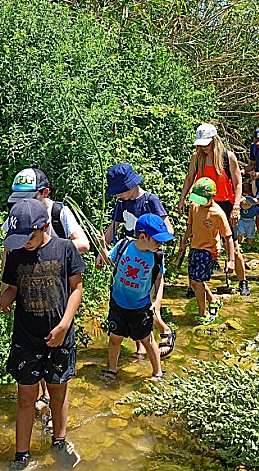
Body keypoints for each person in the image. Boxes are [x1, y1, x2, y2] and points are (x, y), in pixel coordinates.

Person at [2, 167, 90, 434]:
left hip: (57, 296)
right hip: (28, 306)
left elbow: (83, 245)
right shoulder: (17, 220)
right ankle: (41, 400)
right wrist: (3, 293)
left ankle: (56, 423)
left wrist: (53, 252)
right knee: (30, 383)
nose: (22, 202)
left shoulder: (60, 214)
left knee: (58, 378)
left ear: (44, 193)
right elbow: (10, 255)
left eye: (28, 196)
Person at [96, 163, 177, 357]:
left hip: (148, 257)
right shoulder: (121, 203)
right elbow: (114, 226)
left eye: (119, 192)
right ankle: (141, 348)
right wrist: (102, 251)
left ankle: (165, 330)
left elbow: (169, 229)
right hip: (131, 256)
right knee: (132, 300)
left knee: (146, 303)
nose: (118, 196)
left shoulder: (150, 201)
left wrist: (153, 241)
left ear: (131, 185)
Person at [178, 124, 249, 296]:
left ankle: (242, 281)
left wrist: (236, 207)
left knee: (232, 243)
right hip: (201, 202)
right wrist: (182, 198)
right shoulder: (197, 157)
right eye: (201, 144)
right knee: (197, 241)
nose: (203, 147)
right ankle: (194, 285)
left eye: (206, 144)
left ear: (215, 140)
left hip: (224, 203)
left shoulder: (227, 157)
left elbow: (238, 183)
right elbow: (189, 179)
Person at [101, 214, 172, 384]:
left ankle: (158, 372)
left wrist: (158, 300)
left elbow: (158, 279)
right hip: (118, 301)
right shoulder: (124, 246)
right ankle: (112, 369)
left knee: (147, 338)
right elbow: (108, 261)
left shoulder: (156, 256)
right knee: (115, 338)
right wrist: (102, 246)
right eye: (157, 240)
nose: (161, 244)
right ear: (142, 237)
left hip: (140, 305)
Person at [177, 178, 235, 324]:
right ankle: (213, 301)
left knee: (197, 282)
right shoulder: (194, 206)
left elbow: (228, 237)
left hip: (209, 251)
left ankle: (203, 314)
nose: (199, 202)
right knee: (195, 282)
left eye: (203, 199)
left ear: (212, 196)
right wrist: (183, 242)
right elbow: (190, 226)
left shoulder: (218, 213)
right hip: (195, 248)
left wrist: (231, 260)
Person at [237, 182, 259, 250]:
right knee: (240, 233)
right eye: (244, 195)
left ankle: (249, 246)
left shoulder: (252, 200)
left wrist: (253, 180)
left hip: (251, 220)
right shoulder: (241, 200)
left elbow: (248, 206)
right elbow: (244, 206)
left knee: (250, 234)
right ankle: (238, 246)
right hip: (242, 219)